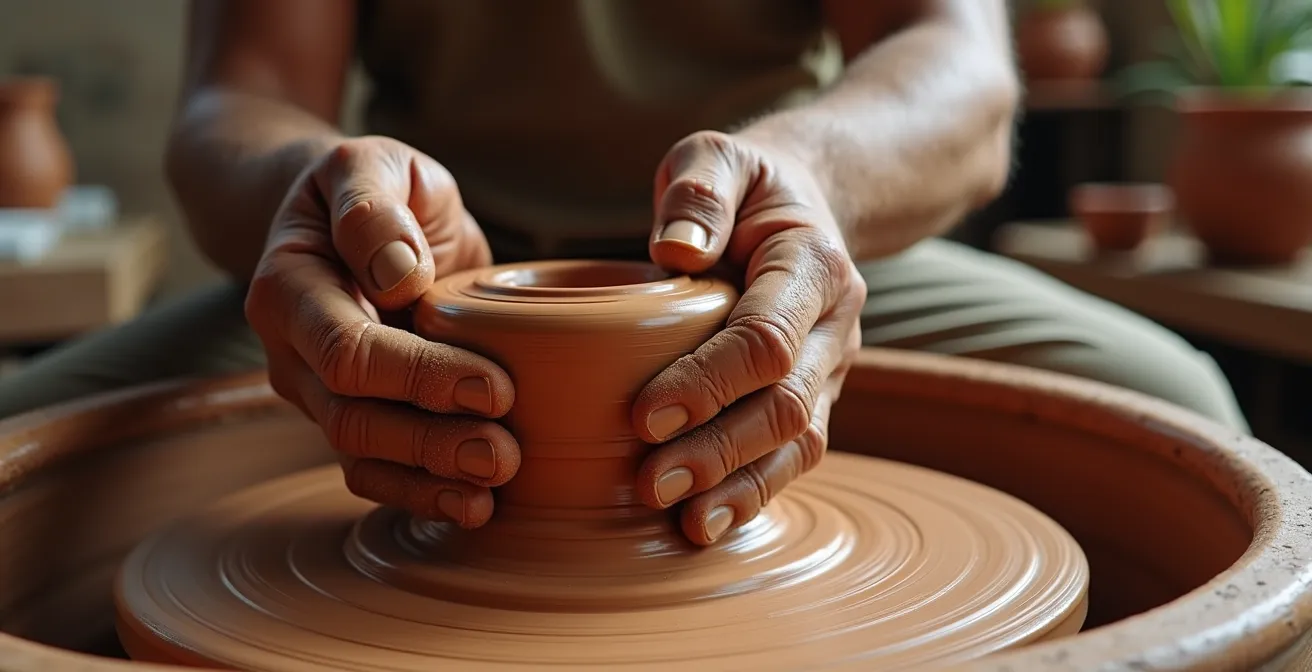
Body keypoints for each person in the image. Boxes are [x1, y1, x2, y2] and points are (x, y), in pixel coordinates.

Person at [0, 0, 1247, 545]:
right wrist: (313, 187)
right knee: (20, 466)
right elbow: (246, 95)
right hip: (422, 270)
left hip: (767, 238)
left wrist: (807, 169)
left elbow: (960, 69)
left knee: (1188, 437)